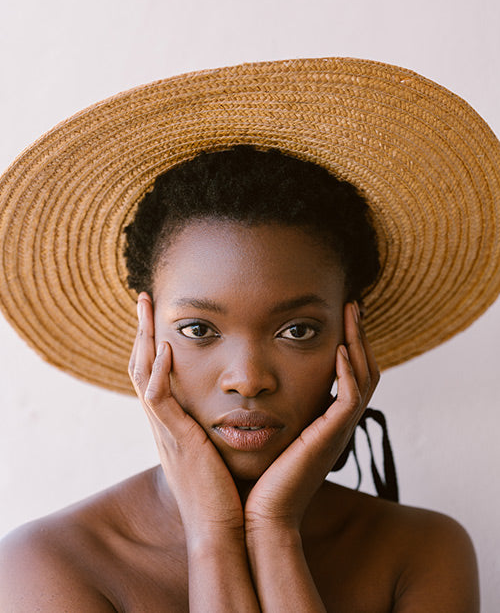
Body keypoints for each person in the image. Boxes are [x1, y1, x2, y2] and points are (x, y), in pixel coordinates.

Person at [1, 57, 498, 612]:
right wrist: (212, 534)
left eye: (297, 329)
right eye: (198, 329)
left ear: (349, 337)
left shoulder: (420, 553)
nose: (248, 379)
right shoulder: (48, 565)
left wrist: (273, 531)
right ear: (145, 335)